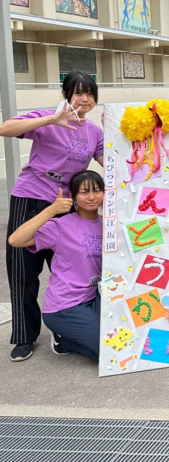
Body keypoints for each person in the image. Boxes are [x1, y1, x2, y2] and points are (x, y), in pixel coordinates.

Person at [1, 71, 103, 362]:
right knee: (23, 270)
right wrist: (51, 120)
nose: (84, 99)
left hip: (68, 203)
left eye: (90, 93)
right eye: (78, 92)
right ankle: (24, 336)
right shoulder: (47, 117)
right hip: (31, 197)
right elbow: (6, 128)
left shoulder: (94, 131)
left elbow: (108, 161)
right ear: (66, 94)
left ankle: (63, 327)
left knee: (69, 265)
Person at [7, 171, 103, 361]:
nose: (92, 197)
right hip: (66, 307)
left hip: (98, 297)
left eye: (97, 190)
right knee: (111, 351)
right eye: (84, 192)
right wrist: (51, 210)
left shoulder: (109, 224)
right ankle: (63, 340)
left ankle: (79, 335)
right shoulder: (60, 226)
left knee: (130, 337)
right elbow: (15, 240)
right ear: (73, 196)